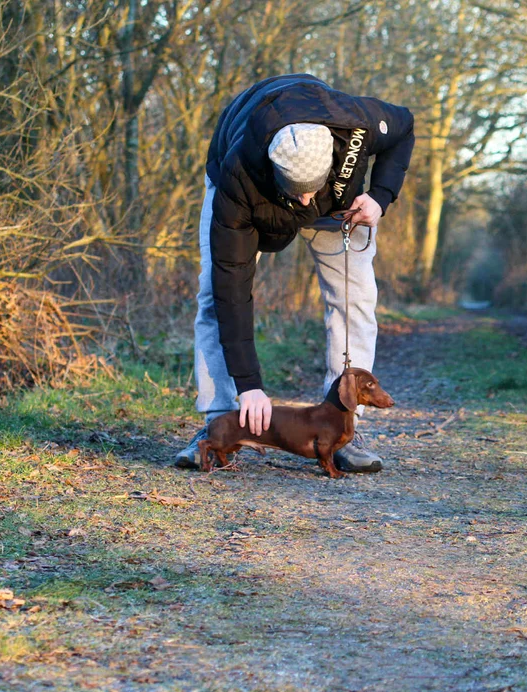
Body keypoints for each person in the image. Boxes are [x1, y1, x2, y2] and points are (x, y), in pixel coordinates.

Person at [174, 74, 415, 473]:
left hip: (339, 205)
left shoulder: (358, 123)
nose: (304, 200)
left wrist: (380, 196)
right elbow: (232, 290)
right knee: (213, 300)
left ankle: (343, 425)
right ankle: (217, 423)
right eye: (296, 190)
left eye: (310, 188)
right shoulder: (240, 177)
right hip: (254, 197)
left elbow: (404, 124)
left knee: (354, 299)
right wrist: (250, 385)